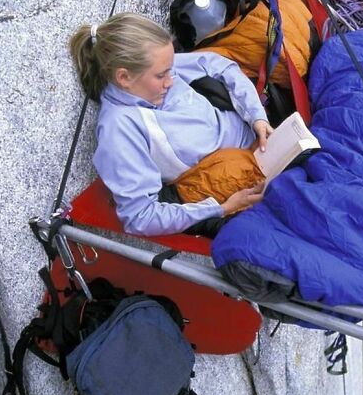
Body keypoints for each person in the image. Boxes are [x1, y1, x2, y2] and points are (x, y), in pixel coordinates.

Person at [69, 12, 273, 237]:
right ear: (124, 78)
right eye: (161, 75)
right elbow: (140, 217)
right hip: (234, 184)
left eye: (170, 68)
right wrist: (220, 208)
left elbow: (220, 66)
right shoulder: (119, 129)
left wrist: (257, 116)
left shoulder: (158, 73)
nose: (171, 80)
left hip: (263, 142)